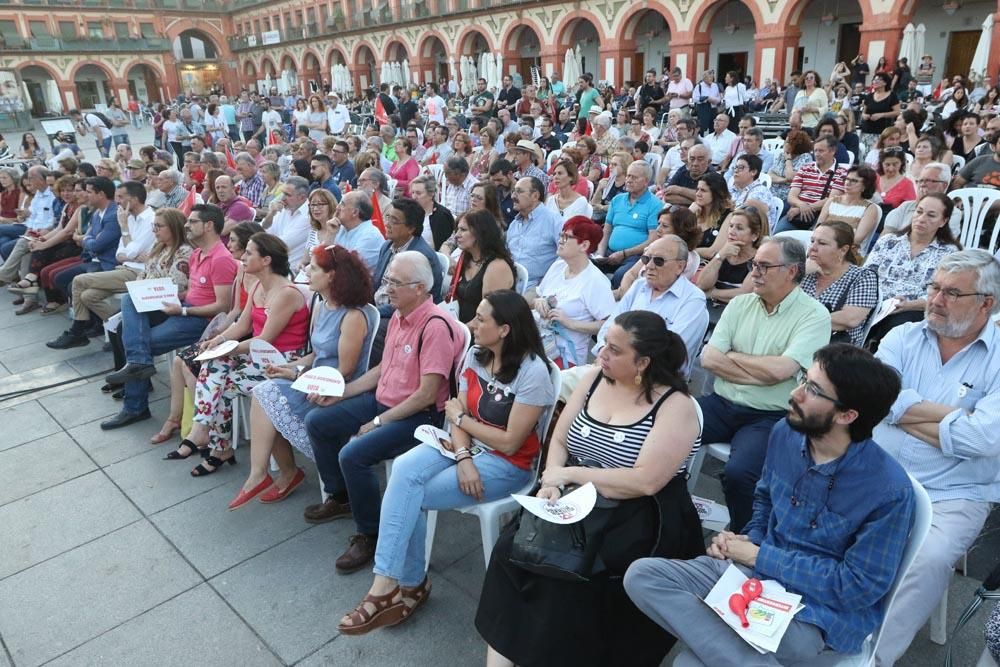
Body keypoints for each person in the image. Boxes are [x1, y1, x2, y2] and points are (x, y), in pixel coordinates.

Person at [626, 343, 914, 666]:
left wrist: (761, 555)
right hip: (754, 576)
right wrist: (748, 537)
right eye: (804, 379)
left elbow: (857, 587)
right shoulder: (785, 434)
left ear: (847, 415)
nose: (796, 393)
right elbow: (764, 498)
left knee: (690, 664)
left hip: (816, 613)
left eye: (814, 390)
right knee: (642, 576)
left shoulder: (888, 490)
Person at [477, 310, 705, 667]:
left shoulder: (675, 406)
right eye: (603, 344)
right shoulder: (597, 379)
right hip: (578, 495)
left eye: (614, 350)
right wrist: (552, 478)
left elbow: (645, 481)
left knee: (570, 573)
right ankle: (504, 658)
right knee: (512, 549)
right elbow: (561, 438)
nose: (602, 354)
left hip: (640, 512)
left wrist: (573, 475)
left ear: (643, 362)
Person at [339, 290, 555, 635]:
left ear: (505, 330)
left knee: (413, 494)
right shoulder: (476, 354)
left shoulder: (533, 373)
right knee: (406, 472)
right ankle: (392, 584)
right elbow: (455, 415)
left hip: (507, 463)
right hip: (464, 446)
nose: (472, 323)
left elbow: (509, 440)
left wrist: (463, 429)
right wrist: (463, 453)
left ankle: (404, 586)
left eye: (482, 319)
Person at [872, 249, 1000, 665]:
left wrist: (903, 410)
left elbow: (983, 439)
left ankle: (870, 658)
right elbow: (876, 400)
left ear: (987, 303)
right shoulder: (901, 336)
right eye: (934, 288)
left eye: (951, 293)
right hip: (879, 472)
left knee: (928, 560)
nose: (935, 300)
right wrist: (957, 420)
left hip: (956, 490)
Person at [301, 251, 465, 572]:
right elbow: (381, 370)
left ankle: (370, 533)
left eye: (395, 282)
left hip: (417, 416)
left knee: (353, 454)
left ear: (419, 288)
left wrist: (376, 422)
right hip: (384, 398)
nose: (387, 287)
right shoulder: (401, 315)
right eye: (388, 279)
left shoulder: (434, 326)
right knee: (318, 421)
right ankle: (342, 496)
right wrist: (342, 393)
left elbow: (426, 394)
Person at [698, 236, 832, 530]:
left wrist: (731, 356)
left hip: (769, 415)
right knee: (659, 426)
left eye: (763, 266)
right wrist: (762, 371)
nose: (754, 272)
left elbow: (781, 371)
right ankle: (658, 510)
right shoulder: (740, 304)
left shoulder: (814, 315)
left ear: (791, 271)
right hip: (721, 402)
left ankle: (746, 538)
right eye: (753, 264)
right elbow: (708, 359)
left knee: (740, 473)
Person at [167, 232, 310, 474]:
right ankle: (207, 434)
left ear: (266, 260)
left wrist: (226, 348)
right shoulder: (257, 286)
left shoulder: (286, 292)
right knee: (212, 365)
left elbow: (265, 340)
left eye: (249, 253)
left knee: (220, 382)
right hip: (259, 355)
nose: (242, 257)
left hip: (282, 359)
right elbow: (243, 326)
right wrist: (218, 340)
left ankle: (217, 444)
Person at [102, 204, 238, 430]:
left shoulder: (220, 258)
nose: (187, 225)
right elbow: (192, 291)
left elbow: (221, 307)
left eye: (192, 222)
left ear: (208, 225)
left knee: (139, 343)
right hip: (182, 307)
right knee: (130, 301)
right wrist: (161, 295)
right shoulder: (198, 253)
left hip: (198, 321)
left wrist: (182, 309)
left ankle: (135, 406)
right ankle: (138, 369)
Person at [46, 182, 155, 349]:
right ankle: (122, 328)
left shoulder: (149, 219)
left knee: (79, 281)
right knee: (88, 296)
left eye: (120, 197)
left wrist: (124, 230)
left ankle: (77, 333)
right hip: (125, 267)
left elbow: (130, 251)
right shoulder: (128, 216)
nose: (116, 201)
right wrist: (128, 252)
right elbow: (121, 253)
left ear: (133, 200)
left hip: (140, 272)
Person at [863, 193, 962, 348]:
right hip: (874, 303)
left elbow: (944, 293)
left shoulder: (949, 253)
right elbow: (866, 276)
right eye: (919, 211)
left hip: (913, 309)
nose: (922, 218)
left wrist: (910, 305)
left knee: (899, 326)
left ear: (943, 221)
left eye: (931, 215)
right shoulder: (888, 242)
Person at [533, 216, 616, 367]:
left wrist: (570, 323)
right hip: (539, 343)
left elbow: (609, 325)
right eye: (561, 235)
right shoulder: (558, 267)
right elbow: (539, 295)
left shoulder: (595, 281)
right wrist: (538, 302)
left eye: (566, 237)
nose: (560, 240)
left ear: (584, 245)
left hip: (566, 356)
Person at [801, 221, 879, 346]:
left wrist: (798, 321)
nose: (813, 248)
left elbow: (850, 319)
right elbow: (773, 301)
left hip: (833, 350)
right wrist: (800, 273)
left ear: (843, 250)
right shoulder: (805, 270)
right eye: (812, 241)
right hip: (796, 340)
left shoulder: (862, 276)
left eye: (822, 243)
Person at [594, 161, 660, 287]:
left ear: (646, 181)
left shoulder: (655, 205)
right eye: (628, 176)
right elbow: (607, 230)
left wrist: (624, 253)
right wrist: (600, 254)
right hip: (609, 253)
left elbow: (653, 239)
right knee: (589, 267)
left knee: (621, 276)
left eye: (634, 177)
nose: (628, 180)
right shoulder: (617, 200)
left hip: (634, 257)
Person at [447, 209, 515, 324]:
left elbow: (488, 315)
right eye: (457, 229)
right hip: (461, 325)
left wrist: (459, 332)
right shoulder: (466, 258)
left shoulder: (497, 267)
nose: (457, 235)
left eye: (463, 230)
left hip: (483, 332)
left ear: (480, 233)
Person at [696, 206, 765, 310]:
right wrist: (720, 256)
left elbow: (744, 295)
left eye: (739, 228)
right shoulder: (725, 251)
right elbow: (702, 284)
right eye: (731, 226)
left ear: (755, 235)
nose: (731, 232)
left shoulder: (760, 259)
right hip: (709, 309)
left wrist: (712, 293)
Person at [505, 176, 564, 290]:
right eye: (513, 192)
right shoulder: (514, 224)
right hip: (509, 282)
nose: (512, 196)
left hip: (537, 287)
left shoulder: (554, 222)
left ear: (535, 196)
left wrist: (547, 282)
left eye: (519, 192)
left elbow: (565, 257)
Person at [779, 136, 848, 233]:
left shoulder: (842, 173)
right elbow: (791, 196)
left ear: (832, 151)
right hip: (797, 215)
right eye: (815, 151)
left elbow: (832, 200)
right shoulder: (805, 168)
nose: (817, 154)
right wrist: (801, 205)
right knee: (777, 236)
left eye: (821, 151)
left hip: (822, 216)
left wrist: (803, 209)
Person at [332, 190, 384, 276]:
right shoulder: (340, 228)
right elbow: (323, 260)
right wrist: (330, 234)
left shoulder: (370, 236)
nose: (337, 208)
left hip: (356, 285)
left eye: (342, 204)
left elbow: (347, 270)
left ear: (355, 212)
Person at [691, 171, 734, 260]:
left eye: (703, 190)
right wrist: (688, 214)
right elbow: (674, 240)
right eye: (697, 189)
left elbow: (713, 252)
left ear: (716, 193)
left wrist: (685, 252)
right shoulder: (694, 211)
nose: (698, 194)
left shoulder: (729, 216)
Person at [875, 146, 917, 211]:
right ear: (881, 163)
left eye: (895, 164)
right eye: (887, 164)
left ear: (902, 163)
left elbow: (911, 208)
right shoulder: (874, 178)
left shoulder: (907, 184)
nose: (891, 169)